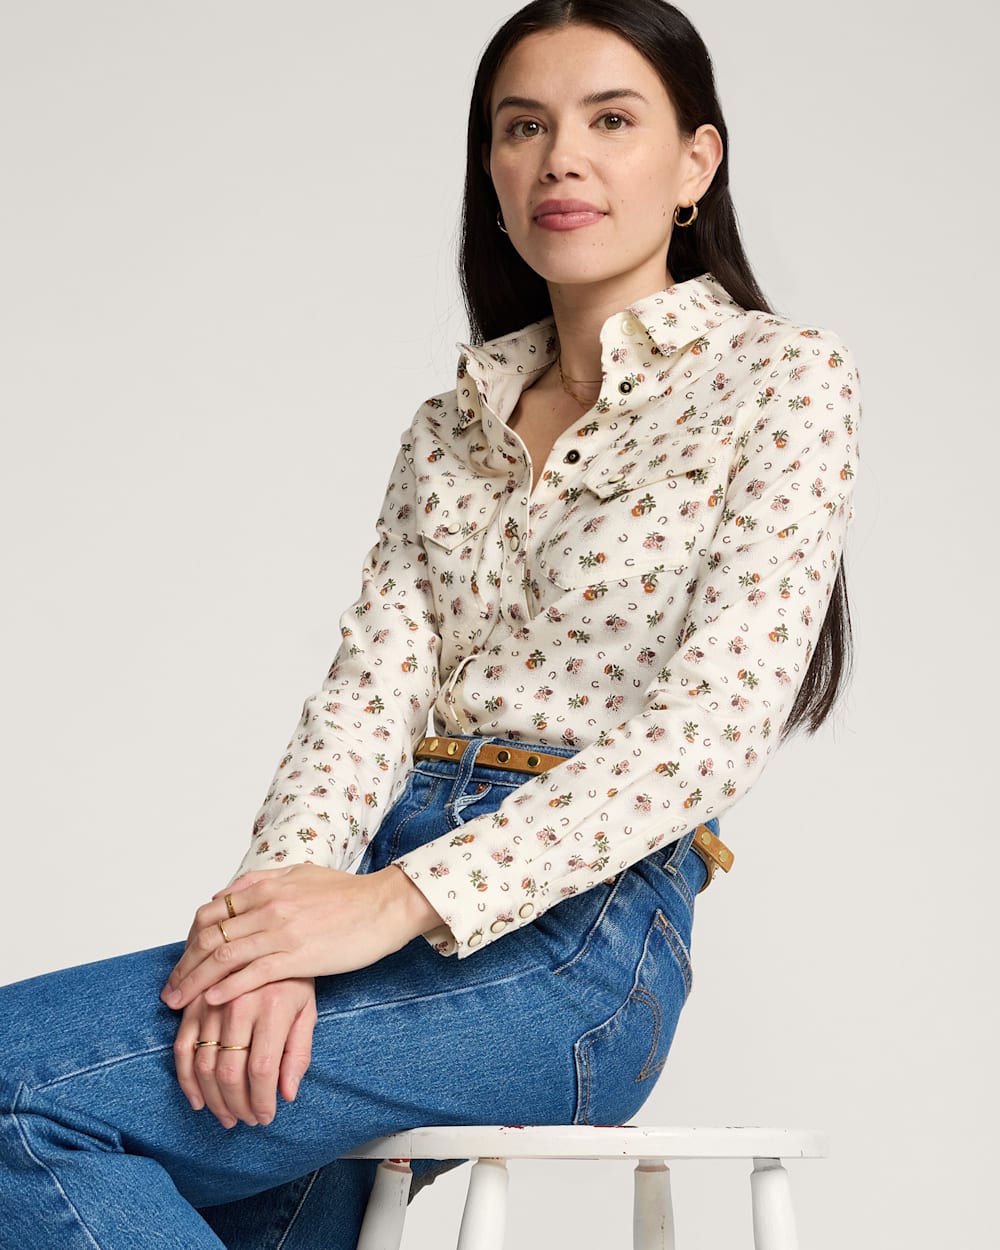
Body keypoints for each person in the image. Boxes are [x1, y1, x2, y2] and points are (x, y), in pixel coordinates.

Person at [0, 1, 860, 1246]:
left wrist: (395, 902)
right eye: (523, 127)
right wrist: (275, 928)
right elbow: (364, 704)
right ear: (492, 170)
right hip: (365, 894)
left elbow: (711, 727)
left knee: (21, 1093)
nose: (560, 158)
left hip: (575, 942)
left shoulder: (781, 375)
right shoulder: (450, 427)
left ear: (694, 164)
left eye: (610, 120)